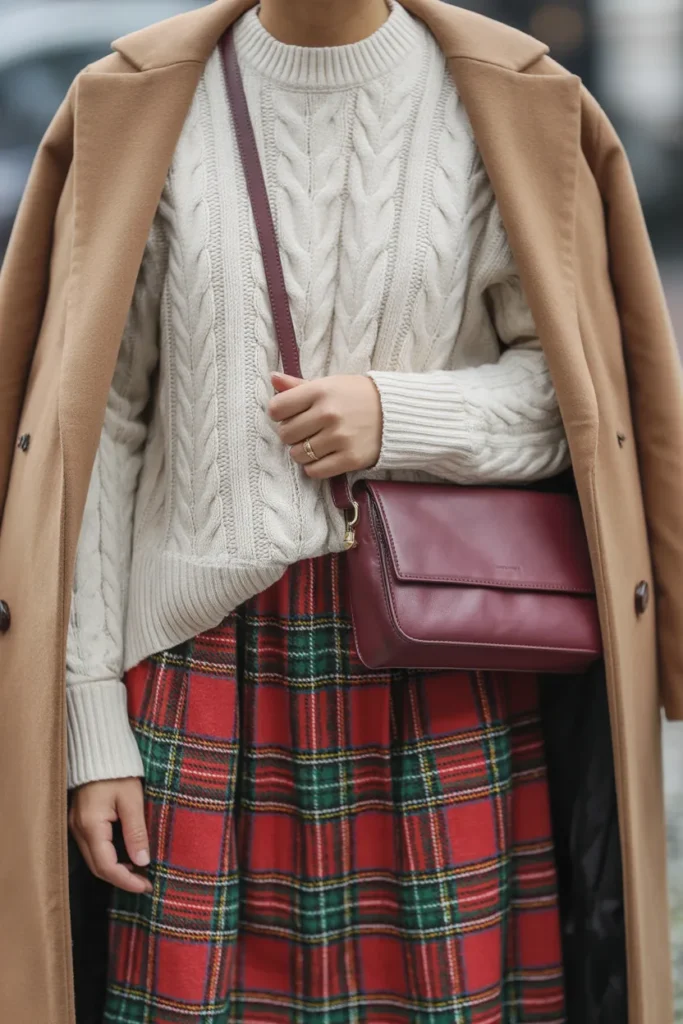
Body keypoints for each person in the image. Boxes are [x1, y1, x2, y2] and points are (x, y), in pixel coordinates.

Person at [0, 0, 681, 1022]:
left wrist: (395, 414)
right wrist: (88, 726)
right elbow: (89, 442)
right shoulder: (136, 104)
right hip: (195, 676)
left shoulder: (511, 100)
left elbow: (577, 401)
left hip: (444, 671)